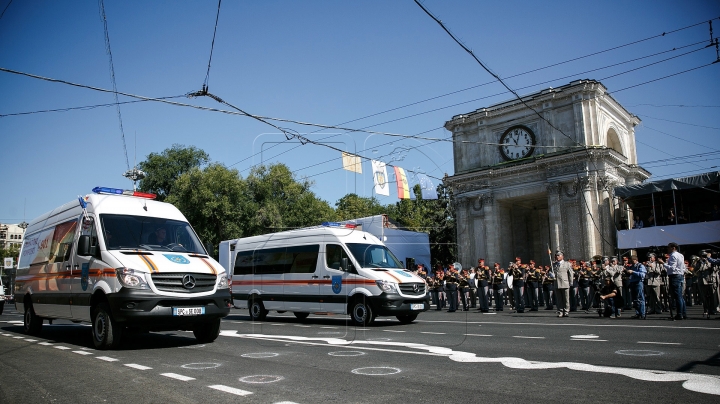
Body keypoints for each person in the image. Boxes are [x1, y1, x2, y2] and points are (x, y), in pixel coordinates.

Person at [659, 242, 687, 320]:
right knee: (680, 296)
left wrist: (663, 263)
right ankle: (683, 313)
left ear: (673, 248)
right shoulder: (680, 255)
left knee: (677, 296)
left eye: (668, 248)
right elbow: (682, 267)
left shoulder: (673, 256)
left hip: (675, 276)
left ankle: (679, 314)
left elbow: (672, 268)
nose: (667, 249)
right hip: (680, 275)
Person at [695, 250, 720, 318]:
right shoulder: (698, 262)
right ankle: (706, 309)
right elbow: (696, 270)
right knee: (704, 297)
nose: (704, 257)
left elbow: (715, 269)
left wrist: (707, 262)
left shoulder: (711, 261)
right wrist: (701, 263)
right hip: (702, 281)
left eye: (705, 256)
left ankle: (713, 309)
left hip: (711, 280)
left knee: (713, 296)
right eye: (702, 256)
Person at [553, 250, 573, 317]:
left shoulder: (567, 264)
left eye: (558, 255)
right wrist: (551, 275)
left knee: (566, 298)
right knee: (559, 299)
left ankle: (566, 311)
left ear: (562, 256)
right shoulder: (554, 264)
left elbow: (570, 274)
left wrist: (571, 282)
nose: (557, 257)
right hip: (557, 283)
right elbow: (551, 273)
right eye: (556, 256)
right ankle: (560, 311)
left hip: (565, 283)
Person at [626, 255, 647, 319]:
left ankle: (642, 313)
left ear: (635, 260)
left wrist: (633, 272)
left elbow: (642, 275)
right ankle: (637, 313)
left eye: (632, 261)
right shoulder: (632, 266)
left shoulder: (640, 266)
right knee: (634, 299)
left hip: (638, 283)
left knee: (640, 298)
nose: (631, 262)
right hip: (632, 282)